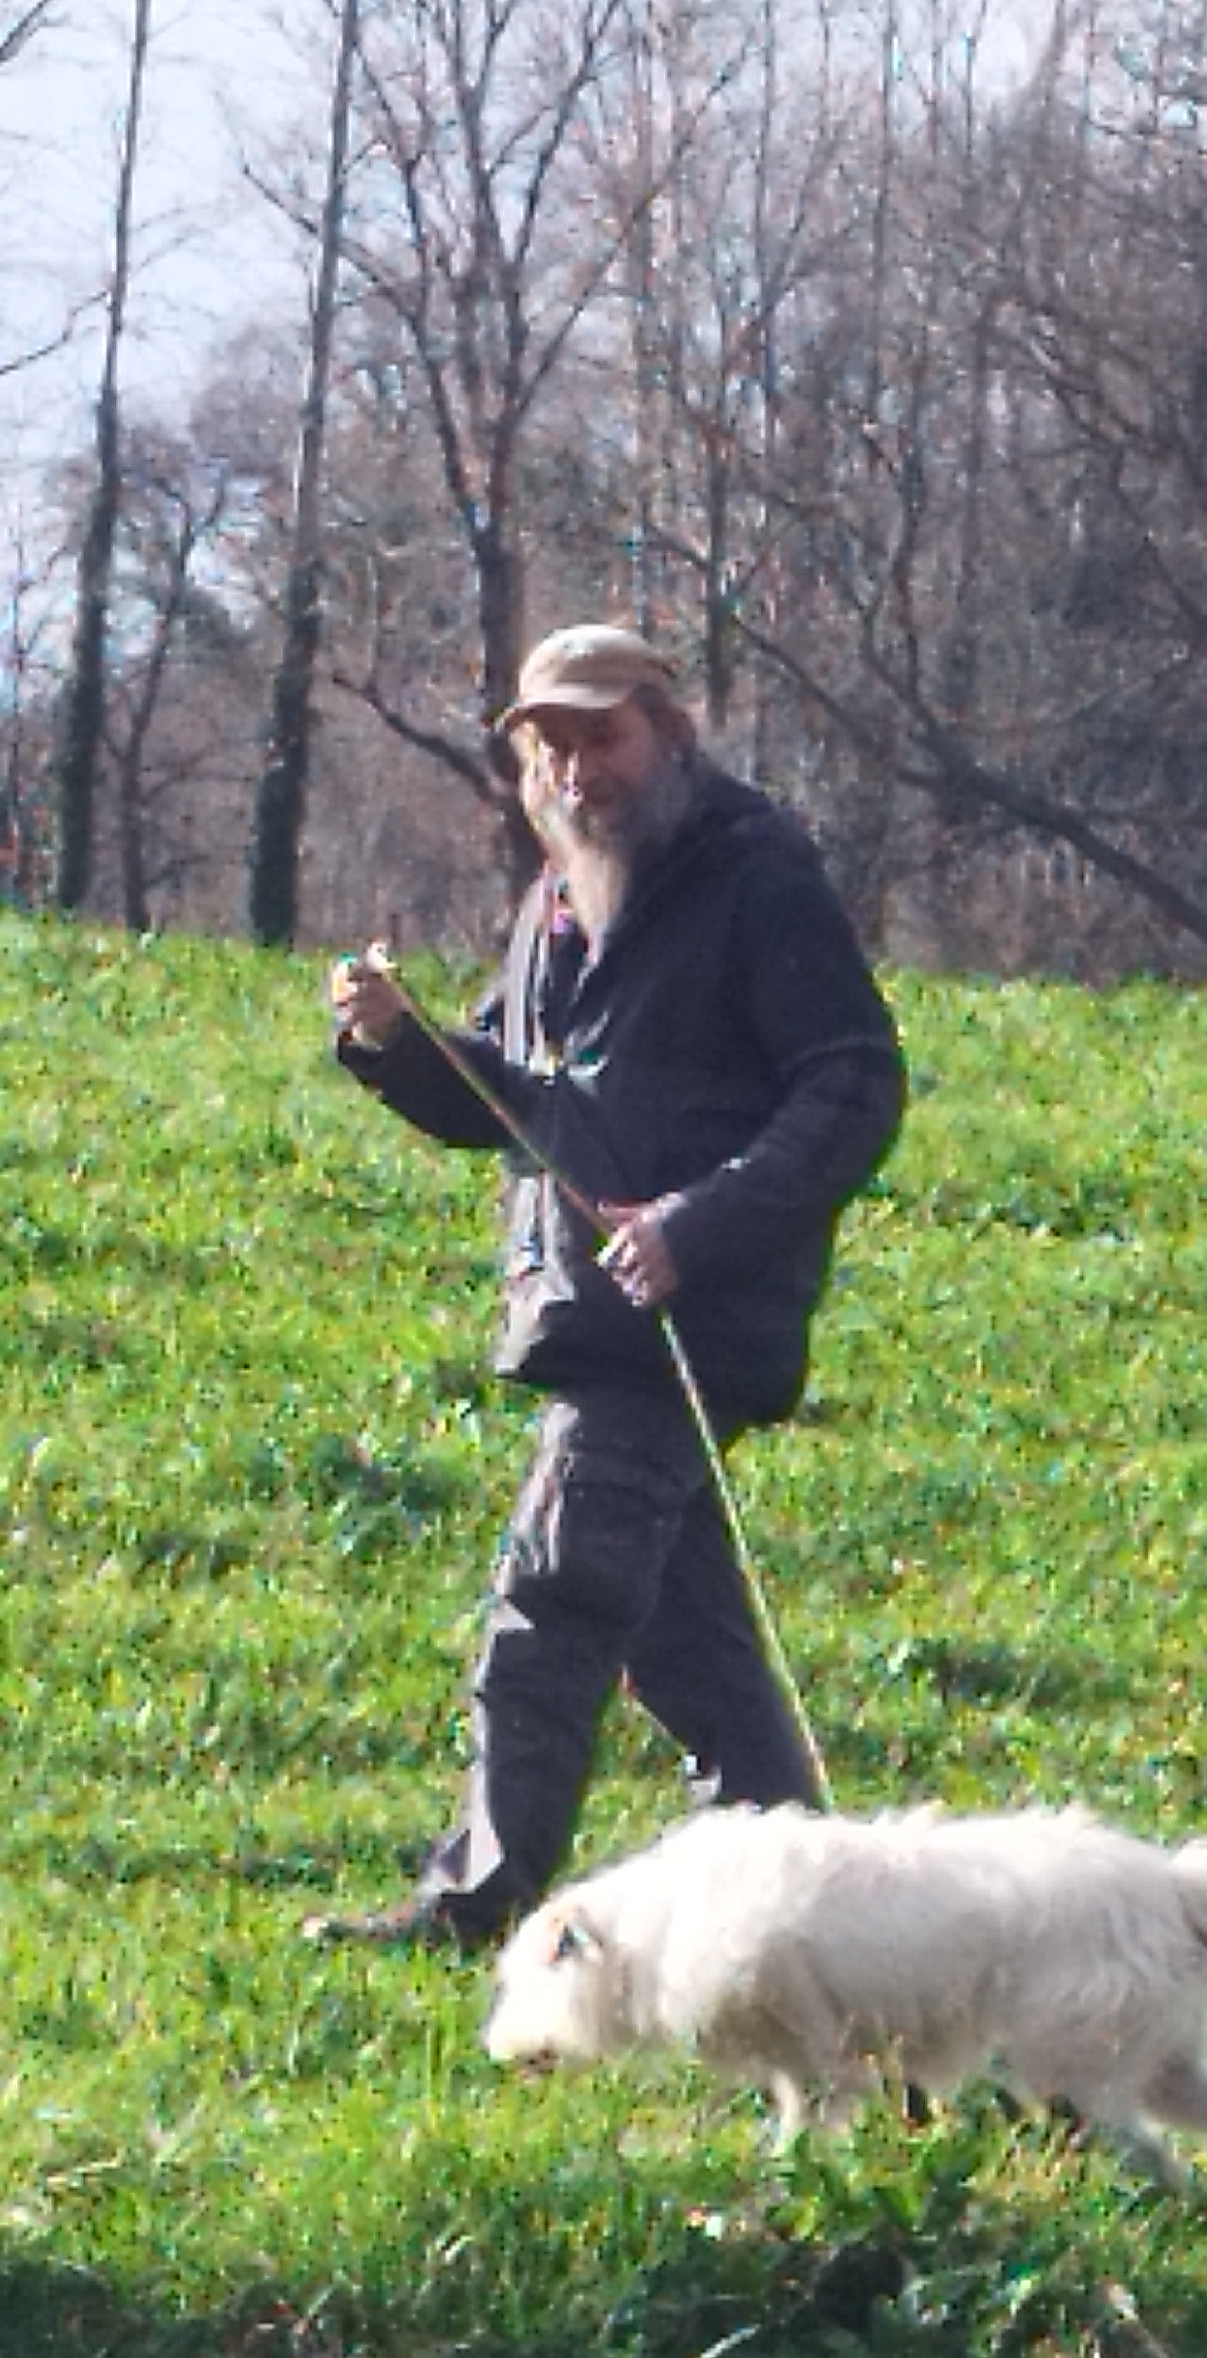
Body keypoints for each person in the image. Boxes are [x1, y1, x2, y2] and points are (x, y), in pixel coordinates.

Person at [305, 622, 909, 1952]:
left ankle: (477, 1908)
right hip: (596, 1316)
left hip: (683, 1322)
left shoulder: (756, 876)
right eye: (552, 744)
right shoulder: (560, 899)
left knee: (552, 1602)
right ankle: (814, 1910)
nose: (579, 769)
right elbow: (519, 1103)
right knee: (686, 1644)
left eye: (604, 736)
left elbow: (856, 1085)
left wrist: (699, 1225)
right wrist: (398, 1046)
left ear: (670, 735)